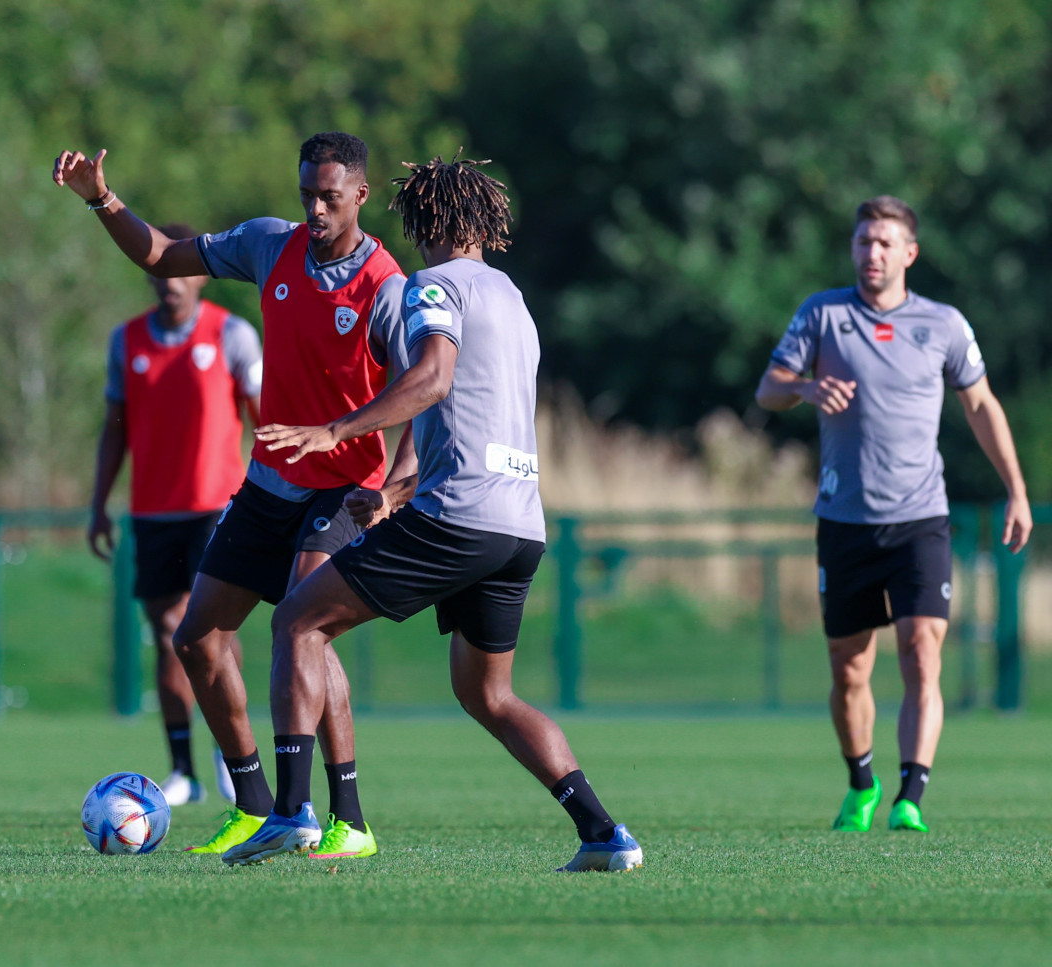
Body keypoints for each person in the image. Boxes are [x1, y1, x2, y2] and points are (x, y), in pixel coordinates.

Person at [229, 154, 643, 872]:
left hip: (458, 516)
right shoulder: (512, 298)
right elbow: (468, 413)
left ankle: (292, 811)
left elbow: (432, 379)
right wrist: (392, 492)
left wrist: (336, 430)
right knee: (487, 692)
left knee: (297, 620)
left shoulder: (431, 287)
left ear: (425, 220)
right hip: (519, 526)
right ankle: (605, 833)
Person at [55, 132, 413, 859]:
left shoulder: (386, 287)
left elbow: (424, 391)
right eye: (306, 192)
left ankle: (332, 815)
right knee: (197, 637)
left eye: (330, 197)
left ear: (361, 196)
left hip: (346, 485)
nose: (314, 208)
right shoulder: (266, 245)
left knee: (301, 625)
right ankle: (252, 803)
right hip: (270, 481)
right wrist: (102, 200)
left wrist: (396, 486)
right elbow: (159, 253)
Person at [755, 195, 1032, 833]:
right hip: (845, 520)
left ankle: (911, 795)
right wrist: (803, 387)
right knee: (851, 668)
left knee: (920, 650)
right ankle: (861, 782)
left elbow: (982, 406)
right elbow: (768, 390)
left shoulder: (943, 324)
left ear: (909, 253)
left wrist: (1016, 489)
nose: (872, 253)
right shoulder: (822, 315)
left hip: (921, 518)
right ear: (853, 249)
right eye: (863, 242)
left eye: (884, 243)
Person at [88, 223, 262, 807]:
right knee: (167, 637)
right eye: (162, 271)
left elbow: (265, 424)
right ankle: (183, 769)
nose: (171, 282)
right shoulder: (127, 341)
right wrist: (98, 505)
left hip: (220, 509)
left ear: (201, 277)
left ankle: (228, 753)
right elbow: (114, 433)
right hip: (153, 514)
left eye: (185, 270)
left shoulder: (232, 335)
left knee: (212, 634)